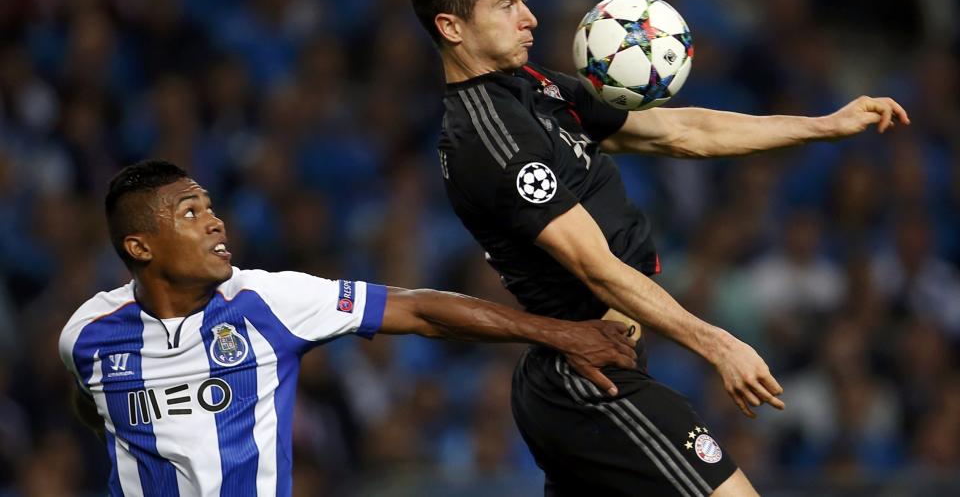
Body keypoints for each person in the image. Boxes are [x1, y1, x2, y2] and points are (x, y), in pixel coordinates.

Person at [408, 0, 910, 497]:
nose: (531, 17)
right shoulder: (490, 137)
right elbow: (595, 268)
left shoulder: (533, 89)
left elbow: (679, 131)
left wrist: (820, 126)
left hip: (595, 370)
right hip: (588, 384)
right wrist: (717, 344)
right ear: (451, 27)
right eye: (507, 5)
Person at [58, 159, 638, 496]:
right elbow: (94, 401)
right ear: (139, 245)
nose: (214, 221)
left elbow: (419, 309)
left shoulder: (269, 301)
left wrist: (560, 333)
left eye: (210, 206)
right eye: (189, 212)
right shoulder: (86, 335)